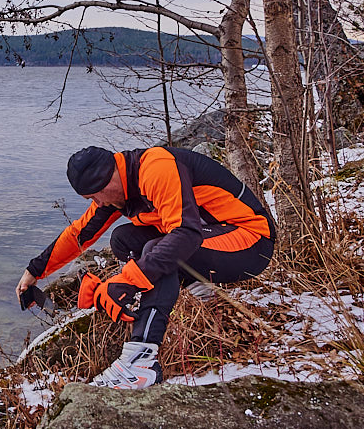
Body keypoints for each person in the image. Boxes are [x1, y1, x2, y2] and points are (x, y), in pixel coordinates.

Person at [15, 146, 275, 389]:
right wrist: (35, 271)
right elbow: (79, 234)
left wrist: (129, 280)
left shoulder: (156, 169)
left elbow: (185, 234)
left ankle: (140, 362)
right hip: (211, 240)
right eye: (90, 198)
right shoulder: (117, 190)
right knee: (123, 239)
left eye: (97, 195)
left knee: (156, 249)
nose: (99, 203)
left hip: (250, 242)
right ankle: (198, 292)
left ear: (111, 176)